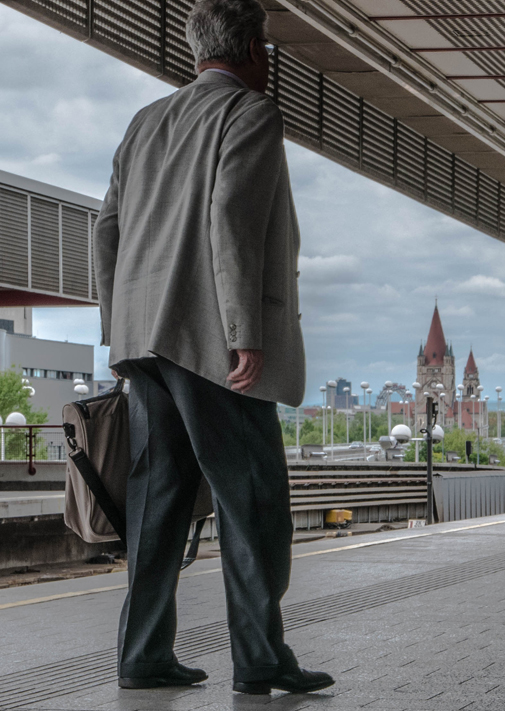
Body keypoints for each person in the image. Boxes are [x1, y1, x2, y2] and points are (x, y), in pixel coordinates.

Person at [94, 0, 333, 695]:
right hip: (210, 343)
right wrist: (243, 332)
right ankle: (260, 659)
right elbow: (230, 217)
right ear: (255, 51)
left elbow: (104, 227)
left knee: (158, 498)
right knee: (253, 497)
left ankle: (142, 654)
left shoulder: (145, 123)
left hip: (144, 342)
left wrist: (119, 324)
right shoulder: (251, 114)